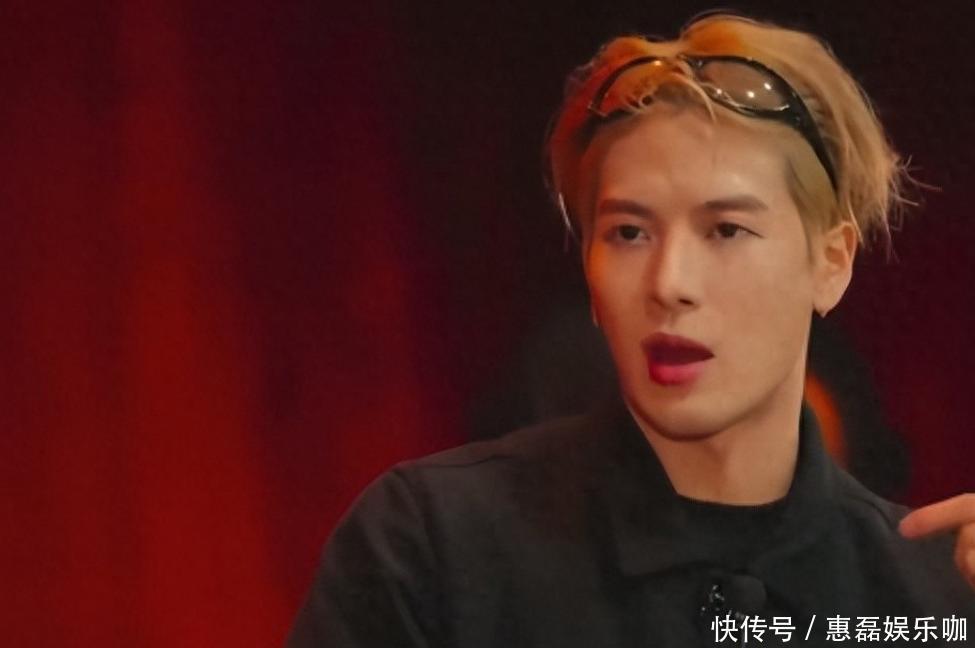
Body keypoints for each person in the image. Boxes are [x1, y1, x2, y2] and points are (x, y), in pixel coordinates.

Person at [287, 13, 975, 647]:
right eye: (628, 233)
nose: (667, 282)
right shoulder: (434, 546)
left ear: (831, 262)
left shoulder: (932, 599)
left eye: (725, 230)